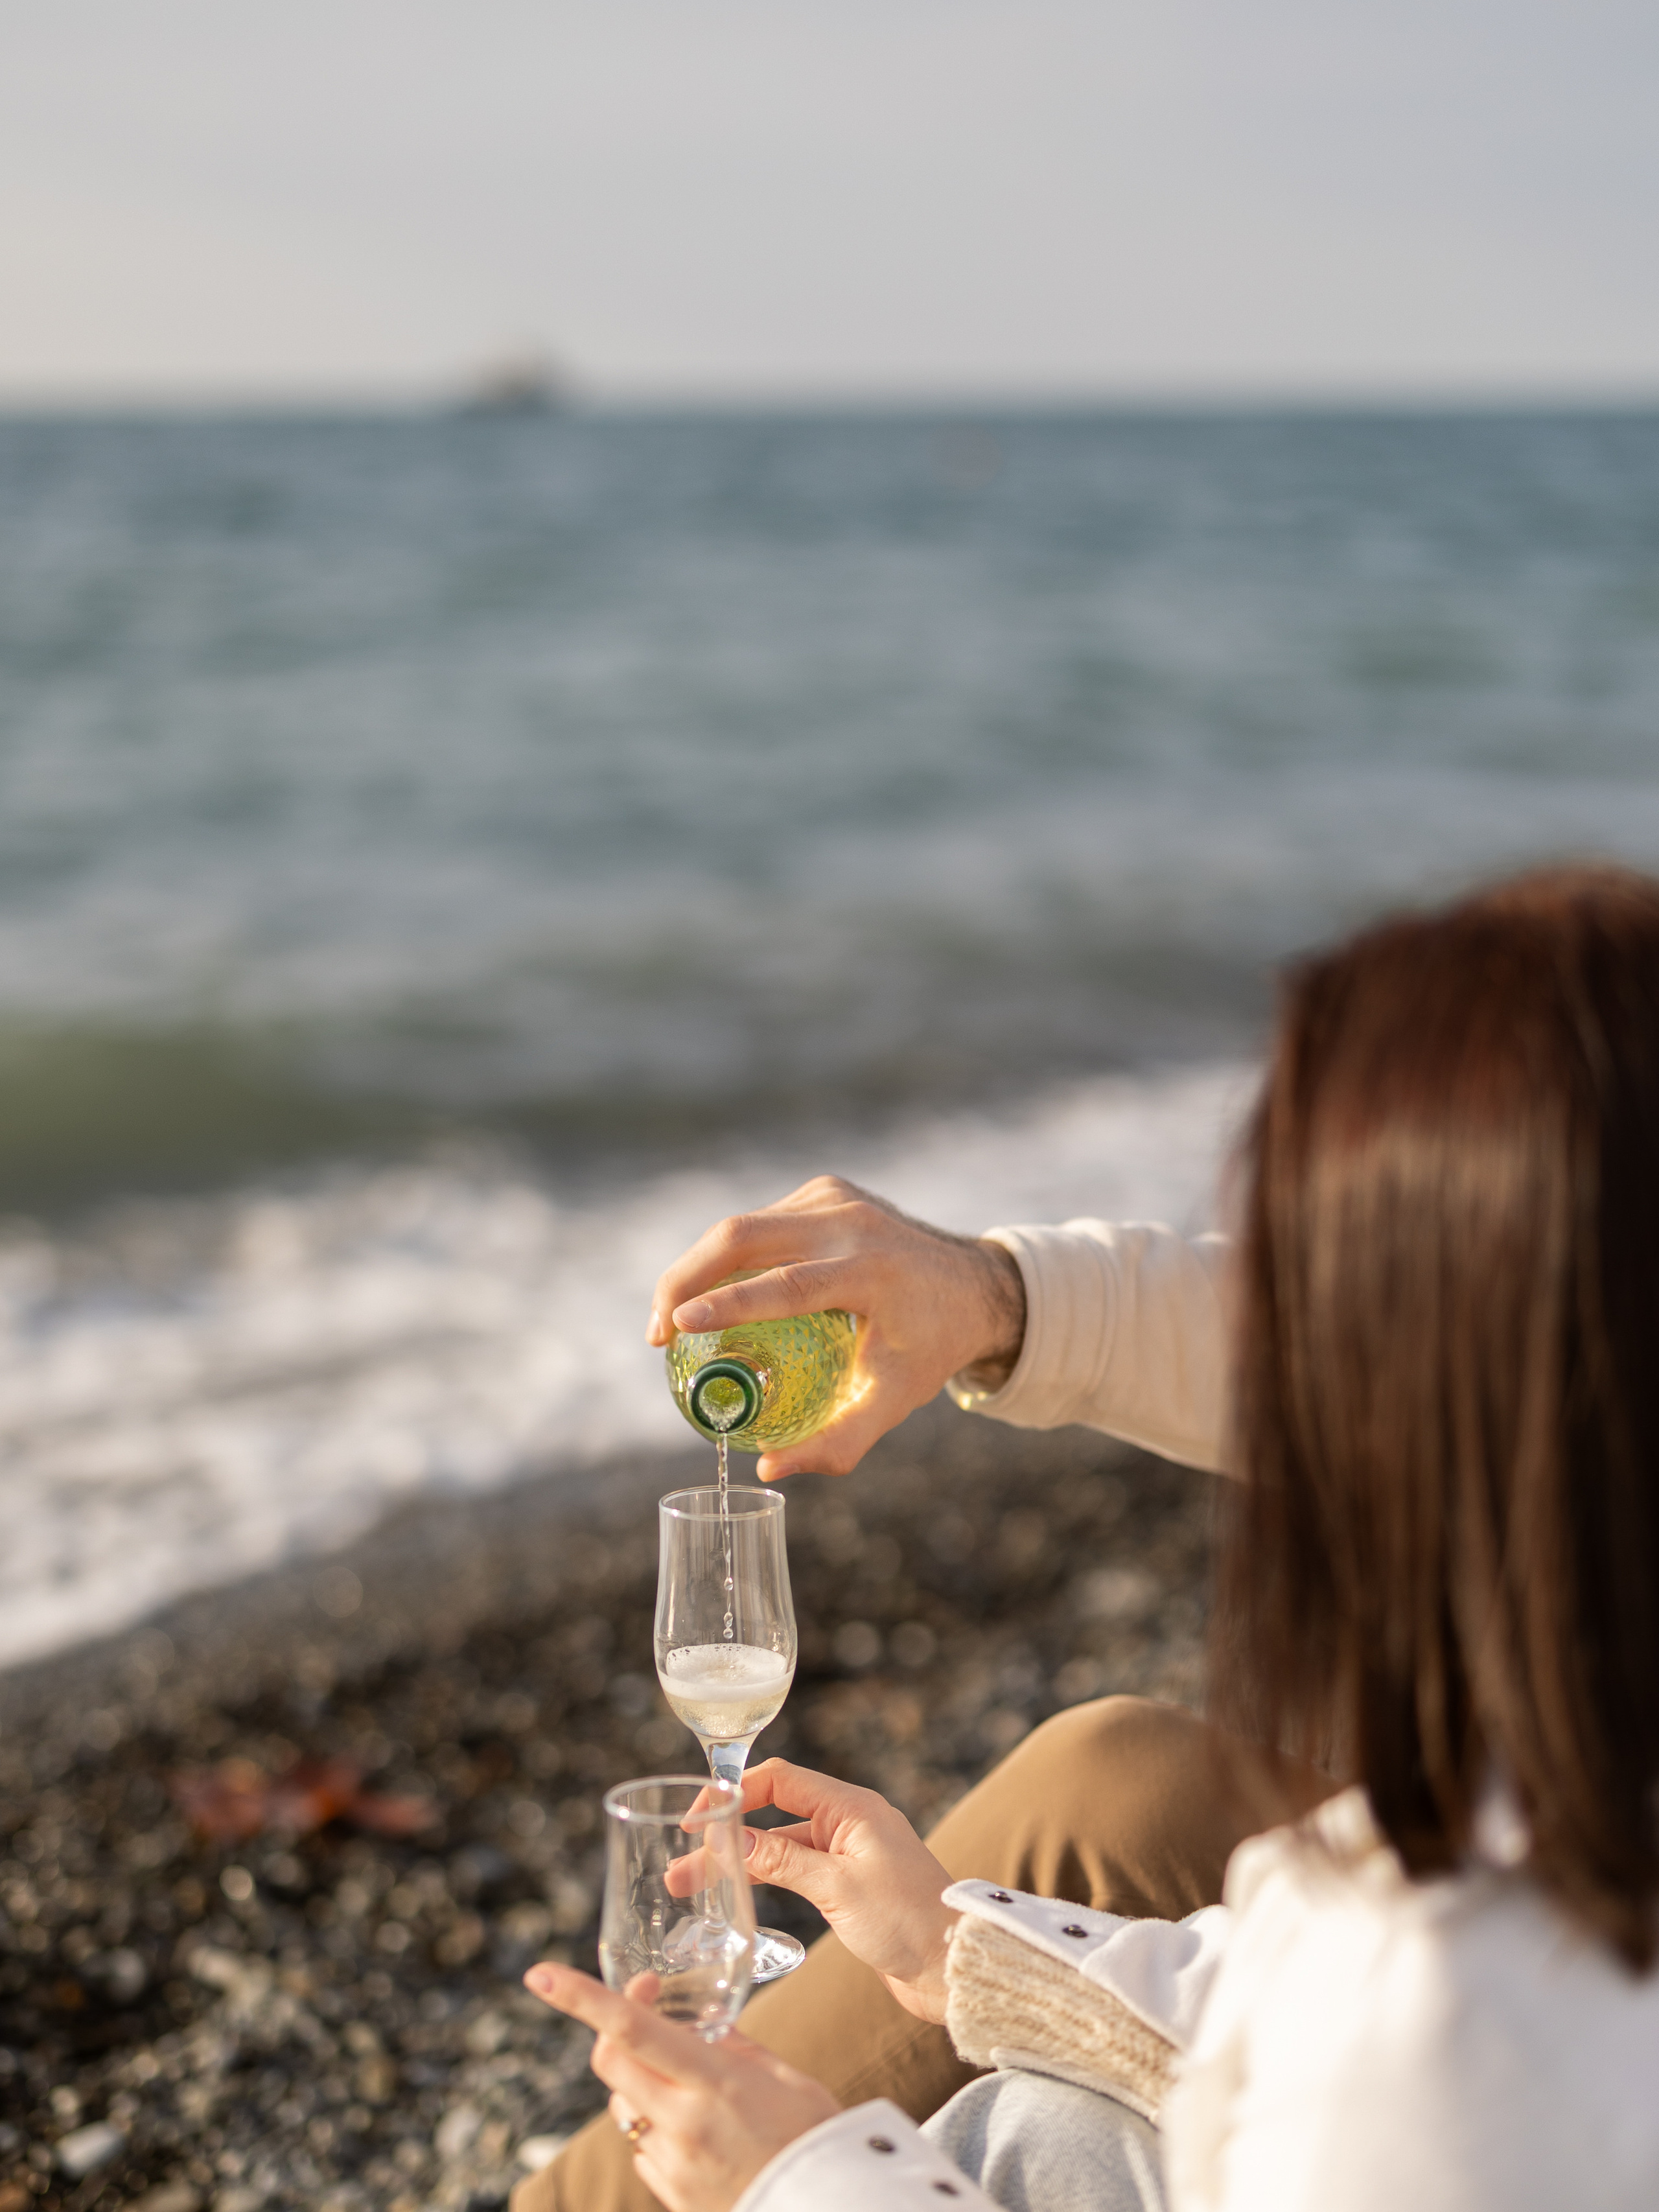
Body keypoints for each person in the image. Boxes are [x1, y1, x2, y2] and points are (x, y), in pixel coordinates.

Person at [515, 865, 1659, 2211]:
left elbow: (1408, 2053)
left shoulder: (1451, 2016)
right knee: (1053, 2066)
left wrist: (799, 2183)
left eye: (1325, 1300)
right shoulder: (1521, 1877)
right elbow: (1294, 2014)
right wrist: (959, 1962)